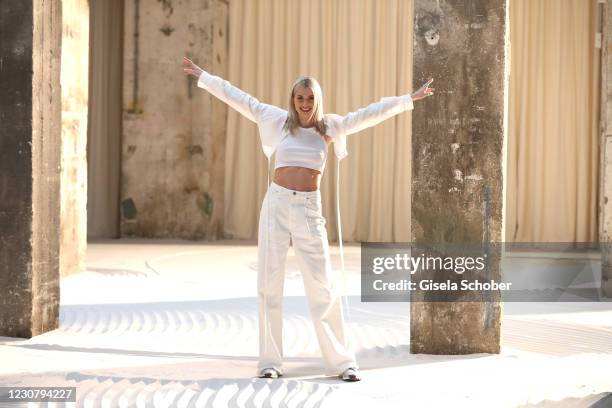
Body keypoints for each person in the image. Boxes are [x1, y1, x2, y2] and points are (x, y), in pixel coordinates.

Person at [183, 56, 434, 382]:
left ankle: (342, 363)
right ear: (292, 100)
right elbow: (239, 98)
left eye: (310, 98)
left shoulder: (328, 127)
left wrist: (406, 100)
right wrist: (205, 77)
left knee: (323, 287)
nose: (305, 103)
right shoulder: (275, 120)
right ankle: (270, 362)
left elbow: (370, 114)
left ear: (318, 101)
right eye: (300, 98)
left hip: (308, 210)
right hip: (276, 206)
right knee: (268, 285)